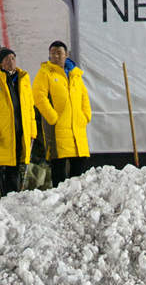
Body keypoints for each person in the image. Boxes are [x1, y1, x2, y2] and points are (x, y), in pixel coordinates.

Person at [33, 40, 92, 186]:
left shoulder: (75, 74)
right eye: (52, 53)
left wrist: (85, 116)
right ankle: (60, 199)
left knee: (79, 166)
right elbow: (38, 96)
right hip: (58, 129)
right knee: (58, 165)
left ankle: (75, 199)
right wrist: (52, 117)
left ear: (66, 55)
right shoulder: (45, 73)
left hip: (77, 129)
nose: (56, 56)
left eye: (59, 53)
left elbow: (84, 97)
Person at [0, 47, 37, 195]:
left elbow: (30, 108)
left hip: (19, 131)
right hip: (3, 132)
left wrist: (32, 131)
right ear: (1, 63)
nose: (11, 61)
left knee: (15, 167)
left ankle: (12, 199)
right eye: (7, 59)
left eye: (13, 58)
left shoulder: (23, 79)